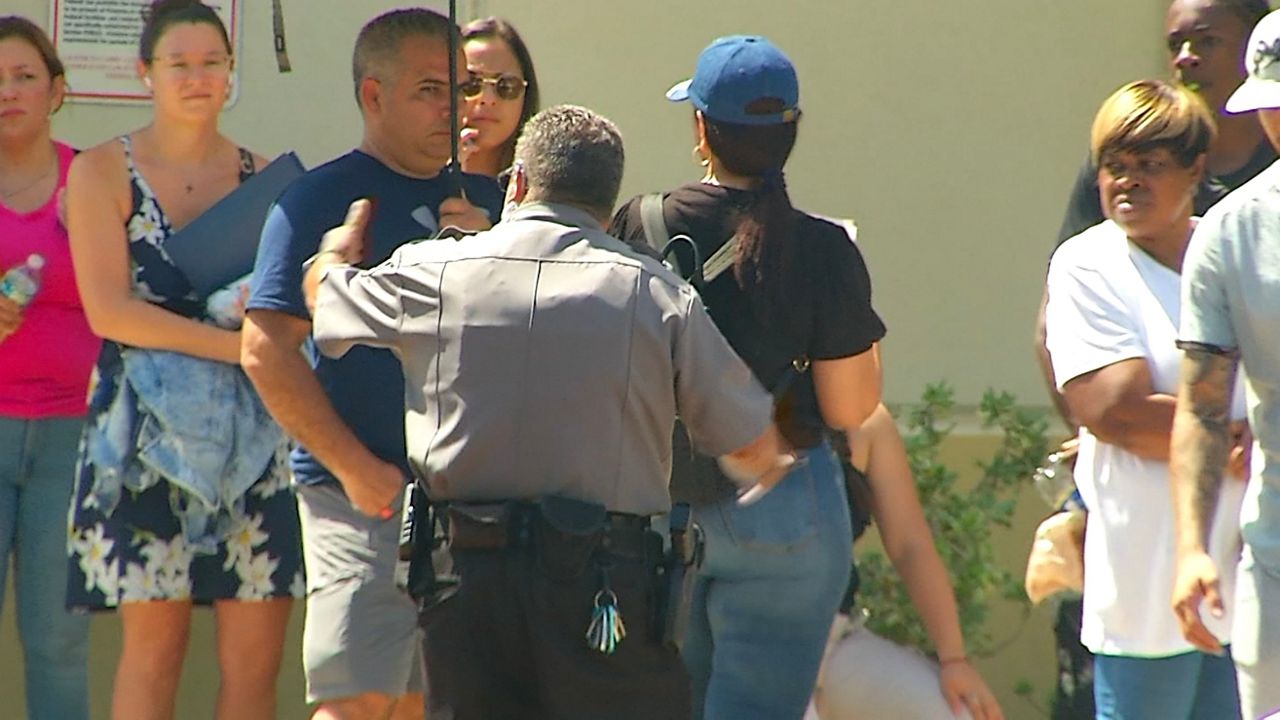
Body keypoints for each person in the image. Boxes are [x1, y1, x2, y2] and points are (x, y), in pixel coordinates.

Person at [306, 103, 792, 720]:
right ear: (605, 203)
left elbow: (327, 305)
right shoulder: (659, 295)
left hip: (466, 583)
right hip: (604, 590)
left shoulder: (435, 271)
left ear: (517, 184)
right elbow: (751, 446)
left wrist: (331, 256)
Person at [610, 35, 885, 720]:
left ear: (701, 129)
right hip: (787, 504)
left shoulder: (638, 225)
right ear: (790, 132)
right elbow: (851, 408)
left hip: (655, 502)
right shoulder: (824, 246)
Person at [241, 8, 501, 720]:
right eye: (429, 89)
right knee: (355, 701)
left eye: (462, 87)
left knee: (426, 702)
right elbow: (264, 350)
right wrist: (353, 466)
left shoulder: (494, 203)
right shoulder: (317, 200)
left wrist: (494, 256)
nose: (454, 107)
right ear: (373, 95)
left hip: (469, 505)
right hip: (363, 498)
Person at [63, 2, 304, 719]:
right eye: (179, 64)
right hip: (143, 434)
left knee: (253, 659)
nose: (197, 78)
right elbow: (110, 311)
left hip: (256, 435)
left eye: (212, 62)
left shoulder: (270, 180)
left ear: (231, 72)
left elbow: (290, 310)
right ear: (146, 74)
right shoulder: (101, 171)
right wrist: (240, 349)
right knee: (155, 650)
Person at [1034, 5, 1273, 716]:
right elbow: (1113, 409)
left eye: (1149, 165)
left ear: (1197, 169)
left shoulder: (1228, 246)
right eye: (1114, 166)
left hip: (1249, 559)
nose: (1126, 182)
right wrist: (1230, 432)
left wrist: (1253, 432)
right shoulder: (1088, 262)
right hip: (1146, 578)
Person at [1171, 9, 1280, 719]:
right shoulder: (1231, 232)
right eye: (1270, 106)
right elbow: (1203, 405)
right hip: (1274, 551)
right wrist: (1192, 546)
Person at [0, 15, 96, 720]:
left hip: (72, 436)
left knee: (59, 641)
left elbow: (128, 296)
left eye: (24, 76)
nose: (8, 92)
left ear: (56, 91)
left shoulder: (90, 181)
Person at [804, 404, 1003, 720]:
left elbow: (909, 545)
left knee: (958, 714)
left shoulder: (867, 420)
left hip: (836, 639)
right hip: (753, 646)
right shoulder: (729, 406)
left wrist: (954, 660)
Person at [459, 17, 539, 180]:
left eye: (507, 86)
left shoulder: (542, 190)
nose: (487, 99)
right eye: (471, 83)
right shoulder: (406, 176)